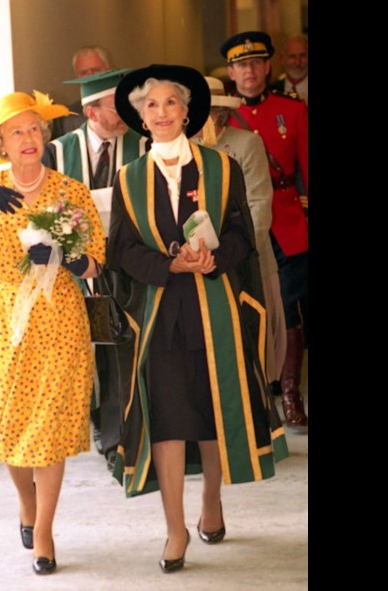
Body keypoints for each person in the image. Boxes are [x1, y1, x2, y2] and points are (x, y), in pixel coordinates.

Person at [108, 64, 288, 574]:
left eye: (170, 103)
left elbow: (240, 234)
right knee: (167, 421)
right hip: (162, 317)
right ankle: (173, 529)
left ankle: (212, 502)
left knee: (211, 418)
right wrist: (168, 263)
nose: (161, 113)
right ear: (141, 119)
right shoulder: (129, 179)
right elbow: (121, 248)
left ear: (188, 113)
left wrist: (214, 258)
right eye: (151, 106)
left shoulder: (221, 167)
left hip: (215, 311)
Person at [0, 90, 106, 576]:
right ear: (2, 143)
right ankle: (25, 501)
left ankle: (46, 532)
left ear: (44, 137)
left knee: (50, 427)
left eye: (35, 129)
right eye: (17, 132)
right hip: (5, 322)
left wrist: (73, 259)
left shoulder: (70, 192)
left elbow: (97, 262)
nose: (29, 138)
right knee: (11, 426)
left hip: (59, 319)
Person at [42, 69, 149, 472]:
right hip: (74, 271)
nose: (125, 113)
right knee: (89, 355)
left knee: (124, 351)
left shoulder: (144, 145)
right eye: (115, 106)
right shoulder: (57, 152)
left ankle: (120, 441)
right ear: (91, 111)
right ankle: (99, 429)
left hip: (128, 266)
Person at [221, 31, 309, 431]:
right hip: (242, 224)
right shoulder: (224, 117)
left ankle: (290, 394)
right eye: (241, 64)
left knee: (288, 308)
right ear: (231, 72)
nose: (250, 71)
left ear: (268, 67)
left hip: (288, 223)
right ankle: (263, 390)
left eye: (256, 63)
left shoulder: (292, 111)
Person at [191, 76, 287, 396]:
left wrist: (234, 254)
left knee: (250, 347)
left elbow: (260, 205)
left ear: (221, 113)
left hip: (247, 261)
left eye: (211, 113)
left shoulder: (246, 144)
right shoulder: (183, 149)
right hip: (198, 266)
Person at [49, 46, 113, 139]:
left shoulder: (129, 105)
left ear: (108, 70)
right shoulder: (67, 117)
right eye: (84, 73)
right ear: (77, 78)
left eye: (96, 71)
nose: (90, 77)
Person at [268, 34, 308, 105]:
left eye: (302, 56)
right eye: (292, 56)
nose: (297, 62)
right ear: (282, 58)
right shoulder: (270, 91)